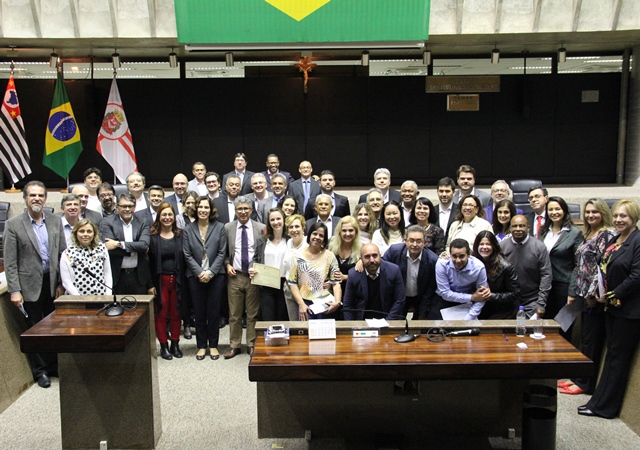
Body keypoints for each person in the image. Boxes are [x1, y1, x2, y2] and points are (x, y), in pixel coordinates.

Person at [579, 200, 640, 419]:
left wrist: (610, 296)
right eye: (616, 216)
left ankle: (605, 407)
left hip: (629, 312)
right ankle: (598, 402)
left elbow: (636, 276)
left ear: (633, 217)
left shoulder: (637, 240)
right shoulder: (616, 239)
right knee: (612, 356)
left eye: (624, 216)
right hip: (612, 309)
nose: (618, 220)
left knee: (618, 359)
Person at [4, 181, 66, 388]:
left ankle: (53, 365)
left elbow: (62, 254)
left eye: (40, 195)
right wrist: (14, 290)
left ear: (46, 198)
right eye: (33, 195)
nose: (37, 199)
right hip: (28, 286)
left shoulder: (56, 221)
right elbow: (10, 261)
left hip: (52, 284)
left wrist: (60, 283)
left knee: (53, 328)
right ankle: (40, 371)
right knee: (34, 330)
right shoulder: (13, 224)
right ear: (25, 199)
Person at [561, 198, 614, 395]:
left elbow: (602, 268)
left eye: (595, 212)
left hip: (594, 296)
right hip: (583, 293)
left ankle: (585, 383)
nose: (591, 215)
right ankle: (578, 377)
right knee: (584, 337)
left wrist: (592, 294)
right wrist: (576, 292)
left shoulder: (606, 235)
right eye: (588, 212)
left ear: (603, 213)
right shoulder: (588, 233)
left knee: (592, 340)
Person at [184, 196, 227, 361]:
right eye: (200, 207)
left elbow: (222, 252)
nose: (203, 210)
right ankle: (201, 346)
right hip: (195, 276)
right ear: (196, 209)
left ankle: (214, 345)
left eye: (206, 207)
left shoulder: (220, 227)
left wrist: (210, 272)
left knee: (214, 312)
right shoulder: (188, 229)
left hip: (216, 276)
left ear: (211, 210)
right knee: (199, 311)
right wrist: (199, 272)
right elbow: (186, 254)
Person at [224, 196, 265, 358]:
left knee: (252, 313)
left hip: (253, 277)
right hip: (235, 276)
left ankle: (251, 343)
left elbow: (263, 253)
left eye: (246, 209)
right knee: (234, 314)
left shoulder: (261, 228)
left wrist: (259, 269)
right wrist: (227, 264)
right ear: (235, 211)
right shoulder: (228, 227)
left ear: (251, 210)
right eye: (239, 209)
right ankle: (234, 345)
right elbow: (224, 251)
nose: (242, 212)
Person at [148, 203, 184, 360]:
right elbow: (147, 263)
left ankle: (175, 344)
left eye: (170, 215)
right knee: (161, 314)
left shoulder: (180, 235)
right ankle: (163, 346)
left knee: (176, 313)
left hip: (177, 280)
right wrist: (150, 285)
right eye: (164, 215)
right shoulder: (152, 237)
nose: (167, 218)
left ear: (174, 217)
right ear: (159, 217)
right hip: (159, 281)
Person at [538, 196, 584, 321]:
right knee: (546, 324)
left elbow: (578, 264)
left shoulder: (574, 233)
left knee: (563, 325)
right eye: (550, 209)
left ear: (564, 211)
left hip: (564, 285)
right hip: (545, 285)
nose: (554, 212)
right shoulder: (543, 232)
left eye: (557, 209)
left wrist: (572, 292)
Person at [99, 193, 151, 295]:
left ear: (134, 207)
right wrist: (136, 249)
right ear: (117, 207)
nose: (127, 209)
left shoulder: (142, 222)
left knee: (139, 309)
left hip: (138, 276)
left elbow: (144, 245)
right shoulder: (107, 222)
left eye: (130, 206)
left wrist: (119, 244)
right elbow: (110, 249)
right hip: (116, 276)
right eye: (123, 206)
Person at [500, 215, 552, 317]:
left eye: (522, 226)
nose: (518, 229)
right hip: (509, 300)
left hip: (532, 300)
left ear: (528, 228)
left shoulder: (539, 247)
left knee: (528, 331)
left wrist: (541, 304)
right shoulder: (502, 246)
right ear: (510, 228)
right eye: (514, 226)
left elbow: (546, 276)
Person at [383, 225, 439, 320]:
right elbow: (381, 267)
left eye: (419, 241)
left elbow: (430, 289)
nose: (415, 244)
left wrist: (422, 313)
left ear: (425, 243)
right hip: (398, 295)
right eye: (411, 240)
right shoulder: (394, 252)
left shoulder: (432, 260)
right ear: (405, 241)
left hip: (420, 297)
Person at [288, 222, 342, 320]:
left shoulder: (330, 256)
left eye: (321, 235)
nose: (317, 237)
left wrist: (337, 302)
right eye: (314, 234)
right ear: (309, 235)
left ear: (324, 239)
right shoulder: (297, 256)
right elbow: (292, 283)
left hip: (325, 304)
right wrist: (301, 304)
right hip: (305, 304)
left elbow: (336, 283)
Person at [343, 243, 406, 320]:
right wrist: (352, 326)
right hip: (362, 321)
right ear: (361, 259)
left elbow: (399, 300)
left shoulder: (394, 271)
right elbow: (348, 305)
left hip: (389, 318)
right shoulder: (353, 275)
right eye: (367, 257)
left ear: (380, 256)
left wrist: (388, 321)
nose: (372, 260)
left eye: (375, 256)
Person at [249, 208, 289, 321]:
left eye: (278, 219)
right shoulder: (262, 240)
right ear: (269, 222)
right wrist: (251, 268)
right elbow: (255, 259)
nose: (276, 222)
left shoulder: (290, 240)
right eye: (272, 220)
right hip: (266, 284)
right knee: (268, 318)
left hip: (285, 284)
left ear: (284, 220)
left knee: (283, 319)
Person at [434, 238, 489, 320]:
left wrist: (469, 317)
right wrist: (472, 297)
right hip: (443, 300)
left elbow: (482, 296)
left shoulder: (478, 267)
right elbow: (445, 293)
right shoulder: (442, 263)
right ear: (450, 254)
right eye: (454, 256)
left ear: (469, 254)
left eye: (461, 256)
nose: (458, 260)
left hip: (467, 302)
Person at [472, 230, 520, 319]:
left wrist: (491, 296)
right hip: (480, 308)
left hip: (503, 311)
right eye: (481, 244)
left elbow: (515, 293)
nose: (484, 247)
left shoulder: (506, 267)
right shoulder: (472, 262)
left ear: (494, 246)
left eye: (488, 244)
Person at [60, 219, 112, 295]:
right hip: (78, 299)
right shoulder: (68, 253)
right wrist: (80, 299)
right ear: (76, 233)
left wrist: (108, 295)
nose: (85, 234)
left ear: (94, 234)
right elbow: (66, 282)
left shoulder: (102, 248)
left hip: (101, 297)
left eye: (89, 231)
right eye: (81, 231)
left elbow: (107, 274)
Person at [328, 216, 363, 296]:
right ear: (339, 232)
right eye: (344, 230)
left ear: (356, 232)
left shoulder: (362, 249)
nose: (347, 234)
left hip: (352, 293)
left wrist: (345, 277)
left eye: (351, 230)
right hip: (331, 292)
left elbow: (363, 276)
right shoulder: (330, 244)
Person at [282, 214, 308, 320]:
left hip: (304, 291)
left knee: (305, 323)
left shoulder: (309, 244)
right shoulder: (289, 243)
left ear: (303, 228)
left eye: (297, 226)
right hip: (288, 289)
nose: (294, 230)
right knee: (293, 323)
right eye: (291, 227)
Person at [434, 177, 458, 242]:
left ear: (454, 193)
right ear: (437, 192)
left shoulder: (460, 211)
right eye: (441, 191)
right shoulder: (431, 211)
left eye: (447, 191)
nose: (444, 194)